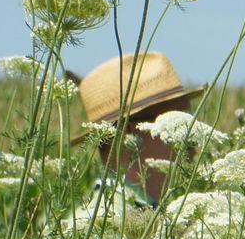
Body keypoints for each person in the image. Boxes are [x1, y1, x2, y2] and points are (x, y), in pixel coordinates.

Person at [79, 51, 199, 204]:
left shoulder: (141, 210)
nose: (192, 136)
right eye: (177, 122)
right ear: (126, 133)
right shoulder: (106, 220)